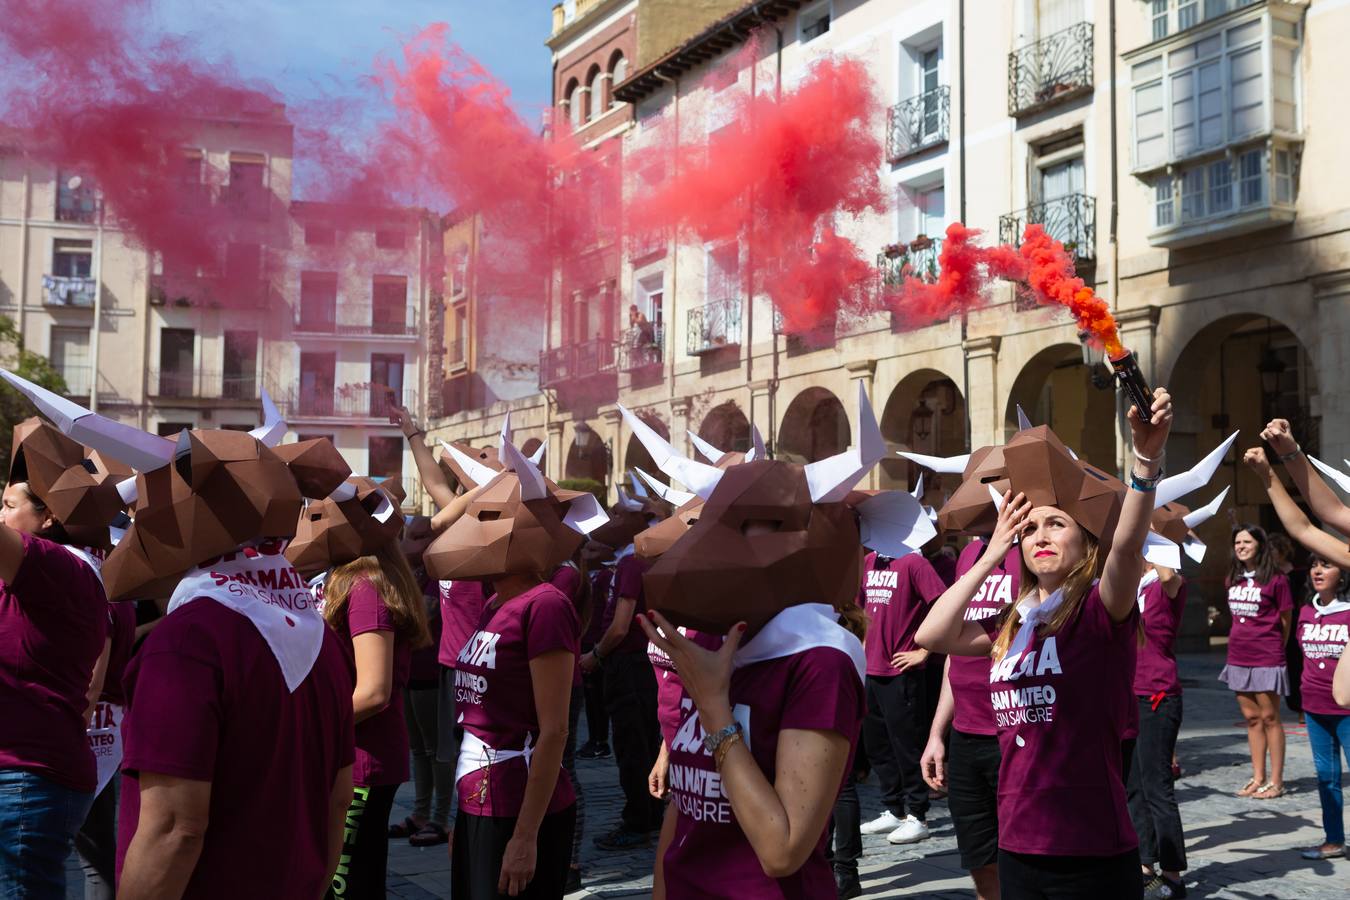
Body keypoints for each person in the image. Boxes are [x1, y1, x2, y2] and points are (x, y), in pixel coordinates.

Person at [916, 387, 1174, 899]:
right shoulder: (1012, 623)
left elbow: (1124, 546)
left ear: (1084, 542)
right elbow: (932, 634)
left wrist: (1145, 461)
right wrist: (991, 552)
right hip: (1018, 844)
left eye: (1057, 524)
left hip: (1090, 848)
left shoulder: (1101, 610)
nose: (1040, 534)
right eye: (1029, 528)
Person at [424, 435, 602, 899]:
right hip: (479, 802)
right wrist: (462, 819)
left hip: (518, 806)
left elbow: (554, 732)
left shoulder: (545, 606)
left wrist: (525, 837)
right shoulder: (492, 603)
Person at [0, 416, 113, 899]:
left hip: (28, 779)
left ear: (47, 518)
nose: (0, 515)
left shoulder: (59, 568)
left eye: (6, 505)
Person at [323, 531, 431, 898]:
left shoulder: (366, 587)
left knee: (347, 884)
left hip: (362, 761)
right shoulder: (356, 580)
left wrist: (309, 729)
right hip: (352, 755)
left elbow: (373, 693)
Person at [922, 538, 1020, 900]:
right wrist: (937, 733)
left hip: (1014, 732)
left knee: (1021, 854)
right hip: (966, 734)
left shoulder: (1029, 551)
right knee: (978, 852)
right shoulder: (969, 553)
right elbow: (951, 652)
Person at [857, 549, 947, 845]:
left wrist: (924, 650)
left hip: (901, 673)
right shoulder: (870, 561)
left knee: (907, 747)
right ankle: (892, 809)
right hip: (871, 669)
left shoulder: (914, 562)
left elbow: (944, 605)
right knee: (877, 746)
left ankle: (918, 815)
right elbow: (859, 608)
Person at [582, 546, 664, 850]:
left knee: (631, 746)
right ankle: (651, 814)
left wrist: (596, 655)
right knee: (645, 742)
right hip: (645, 661)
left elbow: (620, 625)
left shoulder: (633, 562)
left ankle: (637, 822)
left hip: (627, 662)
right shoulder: (655, 559)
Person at [390, 515, 454, 846]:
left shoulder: (434, 574)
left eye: (416, 537)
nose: (406, 544)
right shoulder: (412, 573)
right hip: (410, 672)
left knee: (436, 749)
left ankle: (440, 818)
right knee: (418, 748)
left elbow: (417, 615)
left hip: (431, 671)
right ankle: (419, 812)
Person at [1127, 562, 1188, 899]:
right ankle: (1145, 863)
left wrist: (1156, 530)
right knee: (1133, 786)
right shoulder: (1132, 587)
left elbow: (1168, 575)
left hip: (1158, 696)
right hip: (1129, 695)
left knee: (1157, 787)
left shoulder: (1167, 583)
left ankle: (1173, 874)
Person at [1220, 522, 1292, 799]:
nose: (1241, 547)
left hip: (1267, 655)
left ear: (1259, 545)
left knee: (1270, 716)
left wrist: (1277, 648)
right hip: (1238, 655)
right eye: (1237, 543)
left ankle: (1276, 781)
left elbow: (1286, 619)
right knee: (1251, 718)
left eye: (1247, 542)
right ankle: (1258, 776)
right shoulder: (1232, 578)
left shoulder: (1276, 580)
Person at [76, 597, 137, 900]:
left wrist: (73, 729)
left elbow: (93, 681)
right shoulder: (118, 601)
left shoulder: (100, 603)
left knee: (94, 855)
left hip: (89, 726)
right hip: (106, 726)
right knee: (96, 850)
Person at [1269, 532, 1307, 719]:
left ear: (1283, 552)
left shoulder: (1299, 574)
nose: (1271, 554)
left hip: (1296, 623)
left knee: (1298, 666)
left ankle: (1302, 707)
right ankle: (1293, 703)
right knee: (1288, 669)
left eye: (1274, 550)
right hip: (1275, 624)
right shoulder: (1269, 576)